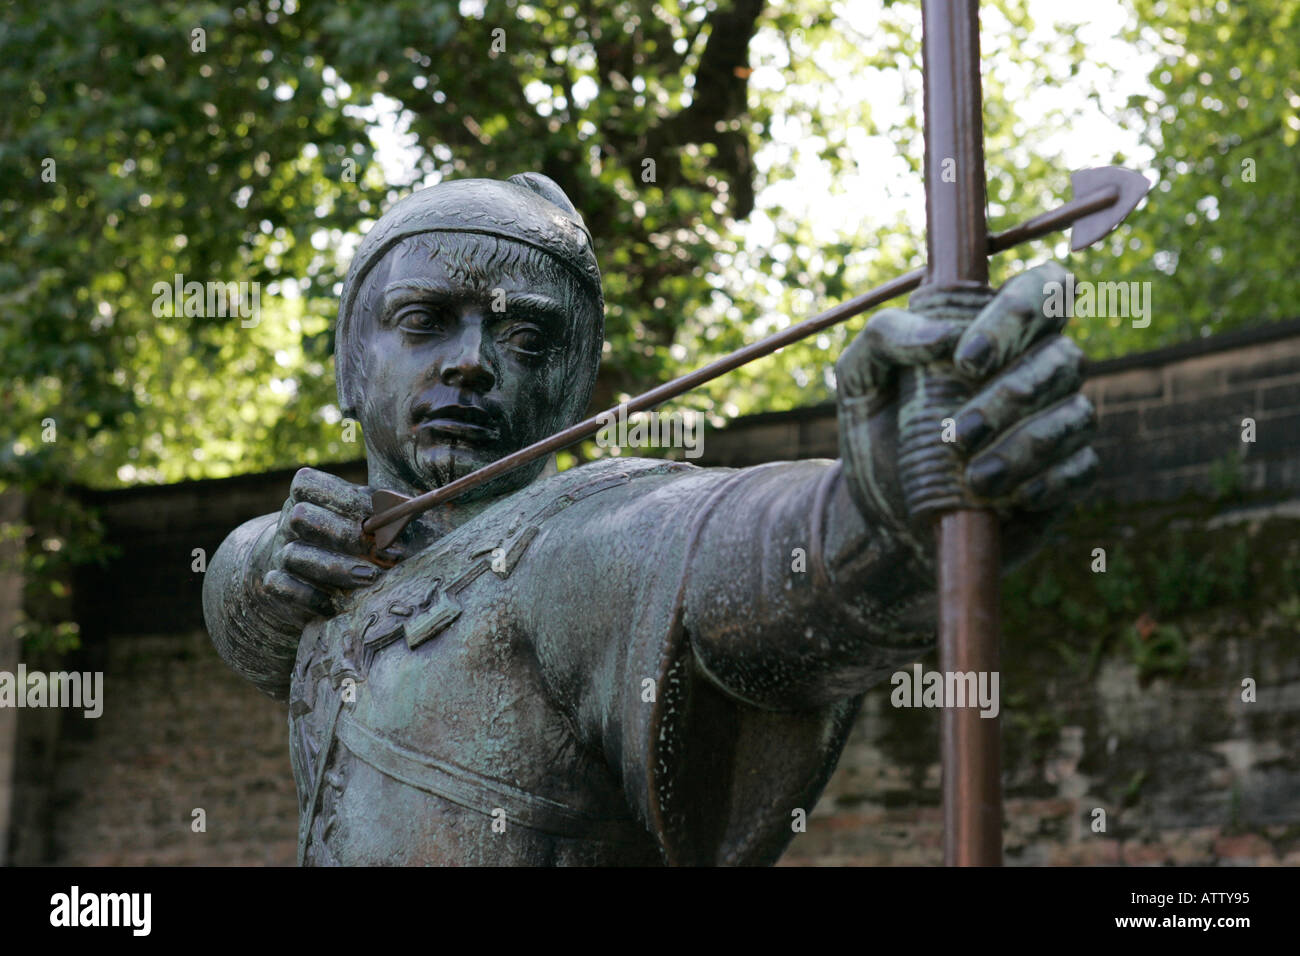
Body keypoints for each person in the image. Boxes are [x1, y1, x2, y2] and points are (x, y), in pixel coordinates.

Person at [202, 172, 1096, 865]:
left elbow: (731, 552)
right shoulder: (328, 557)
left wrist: (883, 512)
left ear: (574, 383)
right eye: (425, 319)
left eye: (525, 338)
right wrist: (257, 566)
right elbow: (242, 613)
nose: (472, 362)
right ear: (349, 368)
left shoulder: (573, 547)